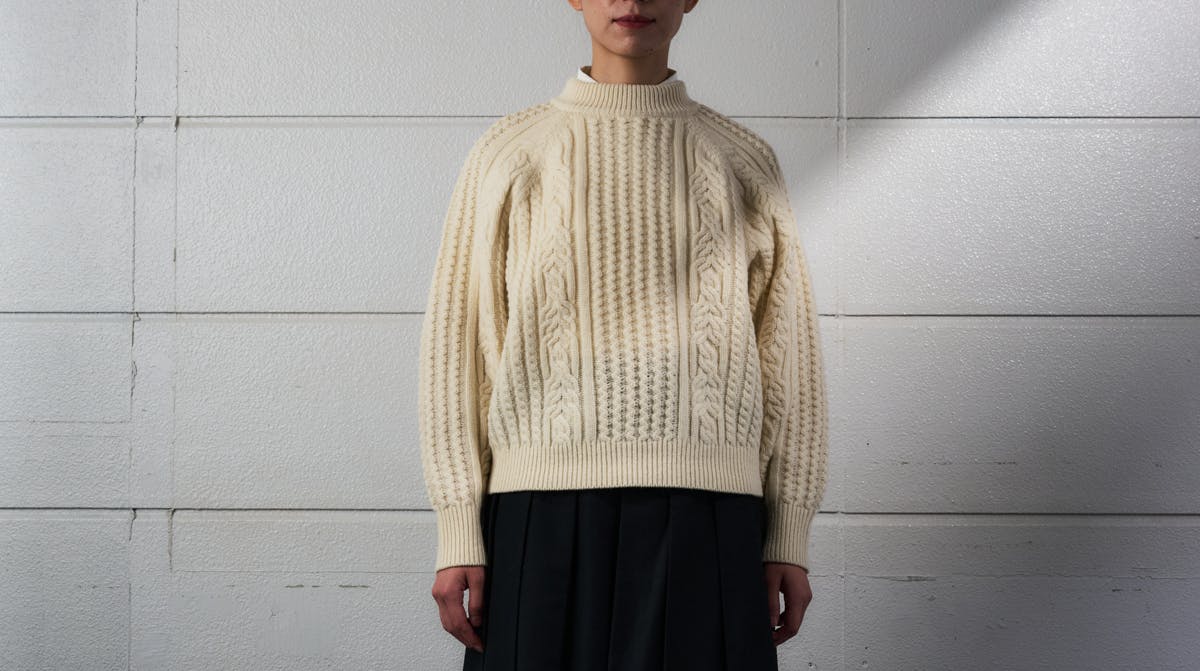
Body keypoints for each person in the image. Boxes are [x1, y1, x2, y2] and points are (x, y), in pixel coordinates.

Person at [416, 1, 828, 669]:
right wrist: (457, 526)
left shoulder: (743, 162)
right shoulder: (509, 155)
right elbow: (457, 350)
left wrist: (788, 532)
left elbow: (790, 357)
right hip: (536, 515)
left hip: (711, 515)